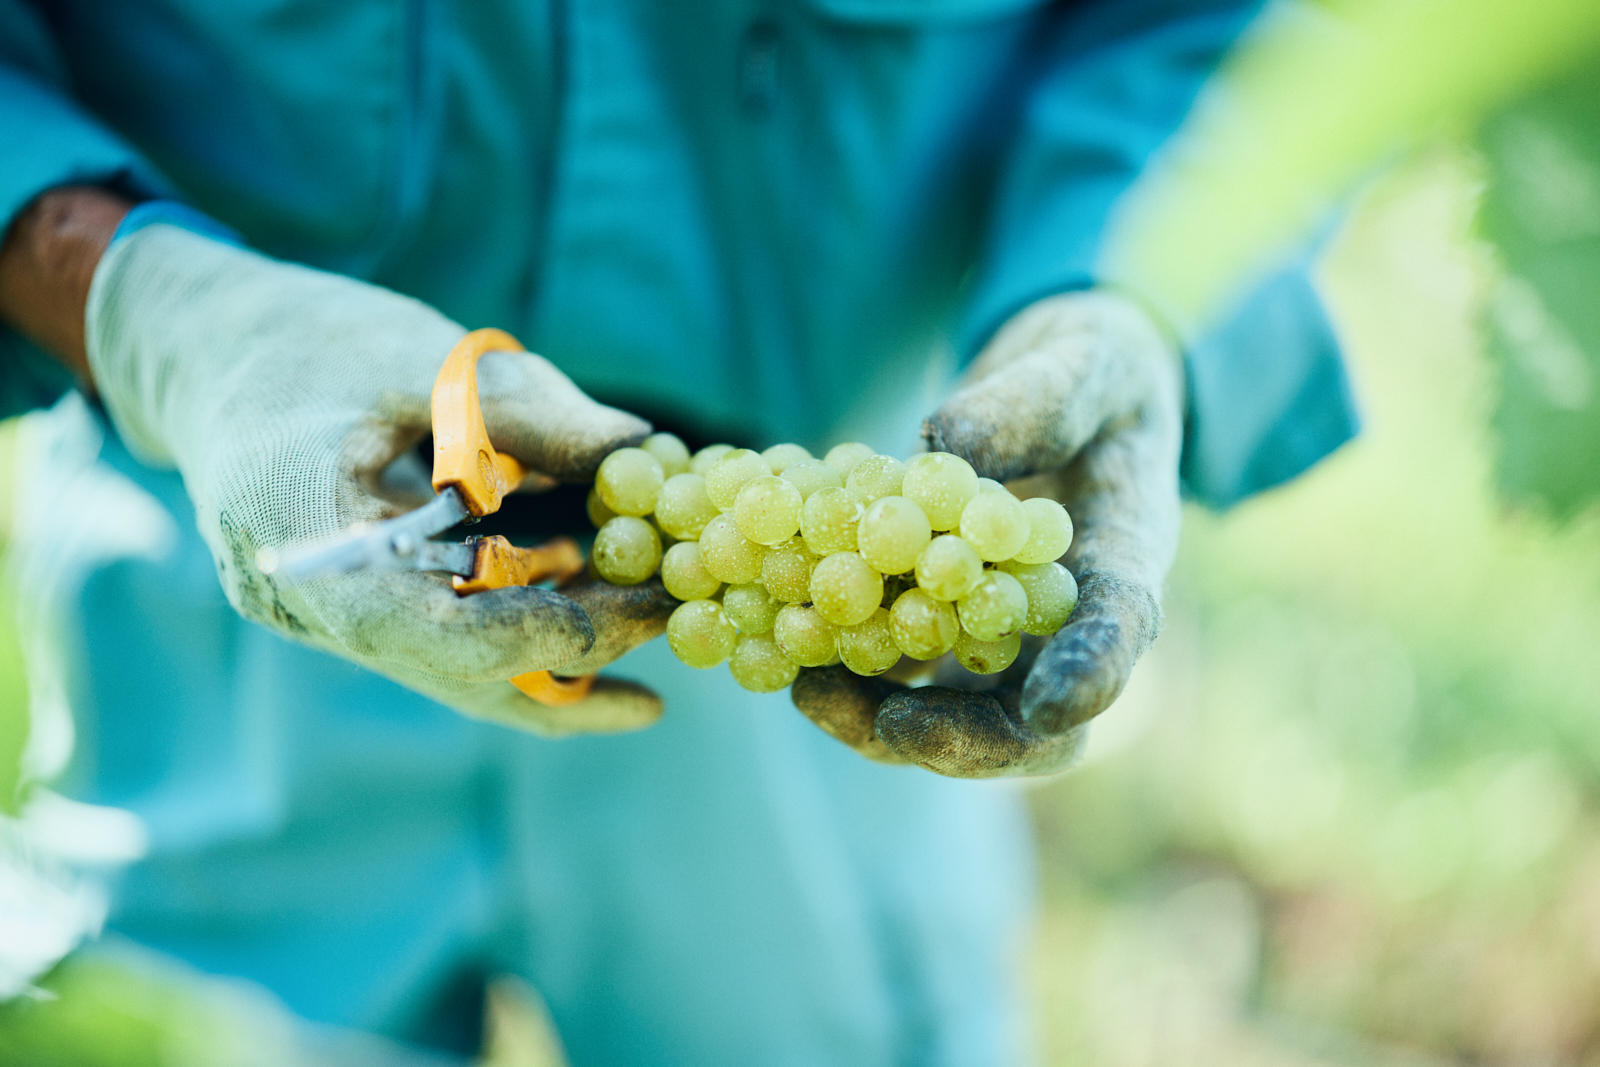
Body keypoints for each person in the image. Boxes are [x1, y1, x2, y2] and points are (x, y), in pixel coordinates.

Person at [0, 0, 1356, 1062]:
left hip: (825, 634)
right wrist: (148, 307)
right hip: (247, 548)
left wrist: (1128, 283)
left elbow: (1227, 21)